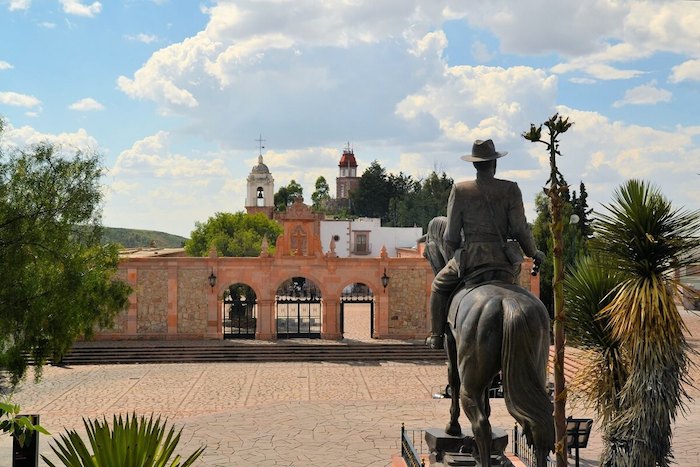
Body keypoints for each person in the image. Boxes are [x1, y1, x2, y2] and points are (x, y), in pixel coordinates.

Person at [426, 139, 545, 350]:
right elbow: (520, 229)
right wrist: (533, 252)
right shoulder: (510, 189)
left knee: (438, 286)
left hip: (470, 260)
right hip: (504, 262)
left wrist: (458, 252)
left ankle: (436, 335)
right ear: (494, 163)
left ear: (474, 164)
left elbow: (451, 236)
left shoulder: (460, 190)